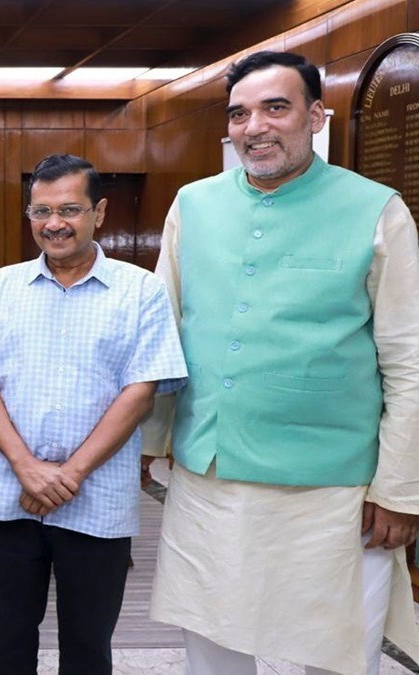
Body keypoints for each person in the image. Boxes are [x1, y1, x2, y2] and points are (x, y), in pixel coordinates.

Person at [143, 50, 419, 675]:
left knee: (337, 653)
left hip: (333, 487)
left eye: (275, 108)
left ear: (316, 116)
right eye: (239, 113)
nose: (255, 127)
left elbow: (409, 360)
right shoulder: (193, 204)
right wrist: (153, 440)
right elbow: (165, 332)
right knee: (211, 645)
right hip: (211, 473)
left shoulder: (377, 209)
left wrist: (401, 489)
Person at [0, 154, 187, 675]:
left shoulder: (141, 291)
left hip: (98, 500)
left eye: (69, 209)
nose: (53, 223)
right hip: (10, 498)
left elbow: (141, 392)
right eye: (41, 211)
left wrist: (69, 474)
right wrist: (26, 466)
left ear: (98, 212)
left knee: (87, 645)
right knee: (3, 643)